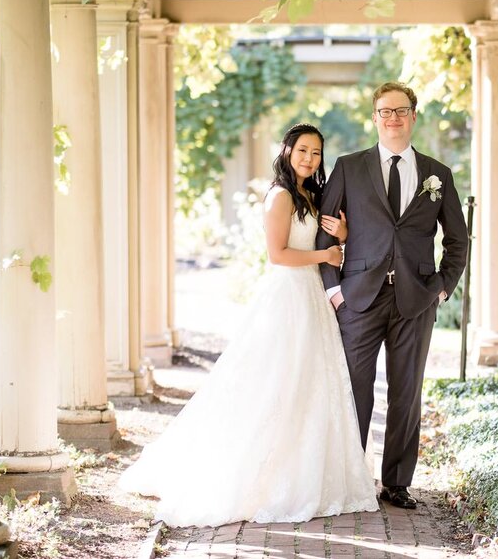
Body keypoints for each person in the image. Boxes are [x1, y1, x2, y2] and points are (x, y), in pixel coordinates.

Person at [119, 123, 378, 528]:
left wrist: (341, 238)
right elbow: (278, 255)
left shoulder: (311, 194)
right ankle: (261, 474)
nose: (310, 158)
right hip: (289, 296)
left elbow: (324, 244)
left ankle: (304, 468)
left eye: (316, 152)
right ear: (288, 150)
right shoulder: (279, 196)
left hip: (312, 297)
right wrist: (326, 257)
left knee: (312, 384)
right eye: (303, 150)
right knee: (277, 382)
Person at [315, 82, 469, 510]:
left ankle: (396, 483)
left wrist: (441, 287)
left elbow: (457, 241)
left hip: (416, 299)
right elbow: (325, 230)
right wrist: (334, 290)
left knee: (406, 392)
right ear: (375, 118)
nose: (393, 118)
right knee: (355, 390)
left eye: (401, 110)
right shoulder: (349, 167)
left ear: (413, 115)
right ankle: (350, 477)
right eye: (385, 111)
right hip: (358, 299)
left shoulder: (438, 174)